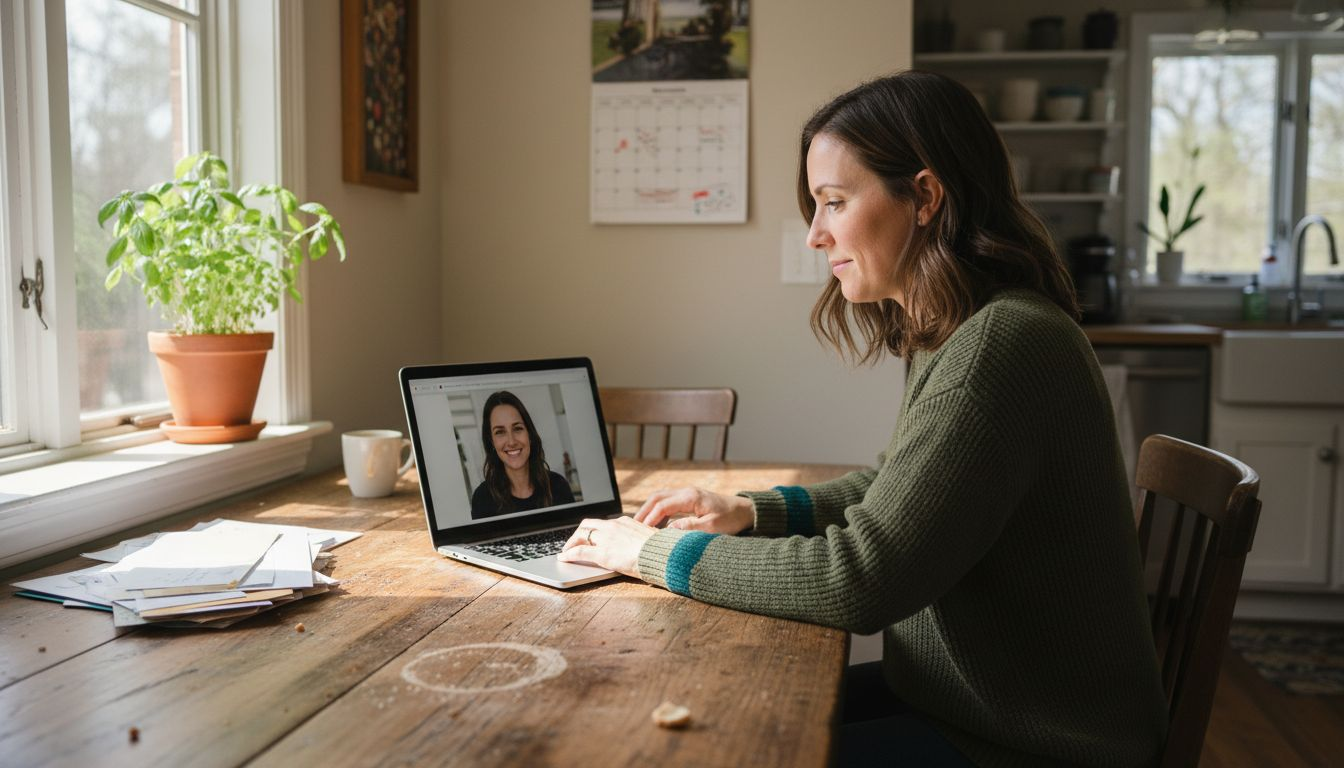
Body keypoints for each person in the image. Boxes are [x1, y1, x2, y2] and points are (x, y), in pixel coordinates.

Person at [560, 71, 1167, 766]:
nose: (816, 234)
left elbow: (861, 580)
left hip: (1034, 741)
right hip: (969, 703)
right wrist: (750, 511)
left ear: (925, 197)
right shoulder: (970, 330)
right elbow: (895, 491)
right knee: (736, 709)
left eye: (835, 202)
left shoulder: (1002, 345)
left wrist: (646, 554)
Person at [470, 390, 574, 519]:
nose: (512, 441)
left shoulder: (558, 486)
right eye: (500, 432)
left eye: (517, 428)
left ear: (529, 434)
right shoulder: (483, 498)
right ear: (491, 441)